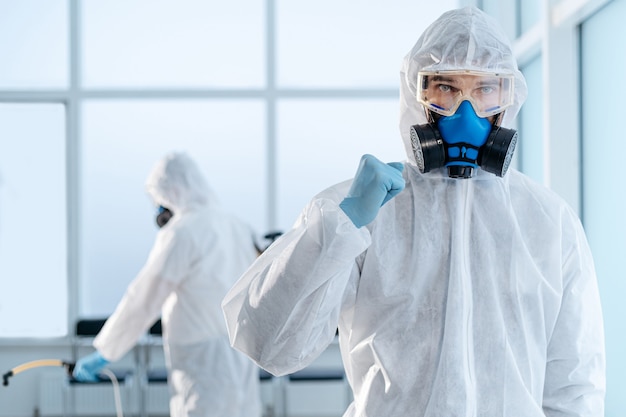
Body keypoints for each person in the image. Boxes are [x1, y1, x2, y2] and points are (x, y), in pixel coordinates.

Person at [221, 6, 605, 416]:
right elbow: (267, 343)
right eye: (446, 87)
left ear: (506, 99)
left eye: (484, 89)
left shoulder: (550, 223)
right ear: (416, 94)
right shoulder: (365, 210)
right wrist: (342, 224)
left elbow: (573, 389)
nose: (465, 111)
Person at [73, 152, 262, 417]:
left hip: (201, 360)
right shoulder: (239, 226)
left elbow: (144, 298)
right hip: (241, 352)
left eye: (160, 199)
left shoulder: (182, 232)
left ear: (173, 190)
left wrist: (106, 350)